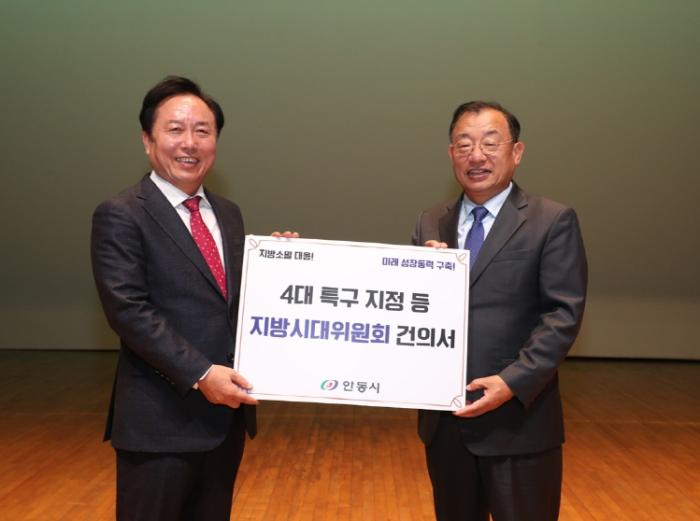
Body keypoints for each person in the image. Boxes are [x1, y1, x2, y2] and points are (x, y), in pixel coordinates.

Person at [91, 76, 295, 521]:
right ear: (147, 140)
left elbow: (233, 300)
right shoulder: (122, 214)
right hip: (158, 427)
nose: (190, 142)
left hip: (224, 424)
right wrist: (202, 374)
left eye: (202, 131)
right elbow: (128, 311)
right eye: (175, 129)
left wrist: (284, 266)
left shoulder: (229, 214)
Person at [413, 101, 587, 521]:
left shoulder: (552, 220)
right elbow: (409, 311)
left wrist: (512, 382)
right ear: (451, 154)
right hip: (447, 425)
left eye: (490, 143)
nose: (476, 156)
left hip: (519, 423)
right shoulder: (431, 222)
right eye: (464, 145)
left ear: (517, 152)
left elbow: (562, 315)